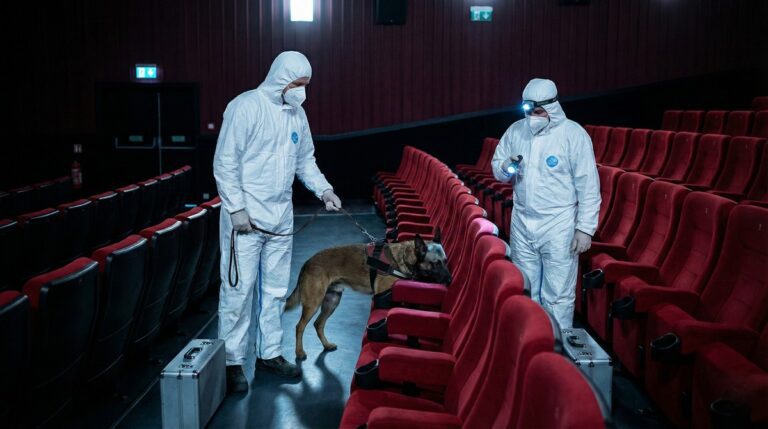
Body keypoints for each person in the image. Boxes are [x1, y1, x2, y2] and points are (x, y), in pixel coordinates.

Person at [213, 51, 342, 392]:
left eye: (307, 85)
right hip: (245, 222)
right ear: (281, 78)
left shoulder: (297, 115)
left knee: (273, 293)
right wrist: (236, 208)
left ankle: (269, 354)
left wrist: (324, 190)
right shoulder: (245, 107)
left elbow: (305, 161)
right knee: (239, 293)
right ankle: (232, 361)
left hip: (280, 220)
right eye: (299, 84)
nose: (303, 92)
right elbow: (225, 163)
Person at [491, 78, 600, 330]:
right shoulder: (516, 131)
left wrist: (584, 228)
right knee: (526, 290)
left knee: (558, 294)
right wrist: (507, 167)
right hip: (523, 220)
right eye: (528, 111)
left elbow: (588, 186)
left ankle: (555, 351)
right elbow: (498, 168)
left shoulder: (573, 135)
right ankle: (529, 345)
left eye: (538, 111)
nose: (532, 118)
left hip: (558, 224)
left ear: (552, 107)